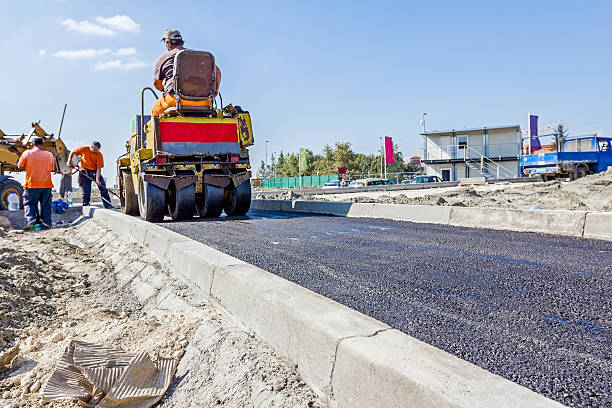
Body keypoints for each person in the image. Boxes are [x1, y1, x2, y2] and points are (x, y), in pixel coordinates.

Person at [151, 29, 221, 116]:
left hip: (176, 100)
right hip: (204, 101)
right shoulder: (197, 56)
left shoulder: (163, 58)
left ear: (168, 43)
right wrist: (216, 90)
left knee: (155, 111)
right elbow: (217, 71)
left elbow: (156, 83)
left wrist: (163, 89)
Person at [17, 137, 54, 229]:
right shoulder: (49, 154)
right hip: (46, 184)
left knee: (30, 203)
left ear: (32, 144)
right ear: (42, 144)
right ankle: (46, 223)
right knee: (45, 204)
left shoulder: (27, 153)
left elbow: (20, 166)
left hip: (31, 184)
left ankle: (31, 221)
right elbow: (51, 168)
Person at [68, 142, 113, 209]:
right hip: (84, 172)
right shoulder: (83, 149)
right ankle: (86, 205)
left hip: (94, 171)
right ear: (91, 147)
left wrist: (97, 179)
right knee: (86, 191)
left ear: (99, 149)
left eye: (97, 150)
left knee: (103, 188)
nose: (95, 151)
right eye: (94, 150)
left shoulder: (99, 155)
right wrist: (69, 160)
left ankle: (108, 205)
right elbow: (73, 152)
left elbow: (98, 168)